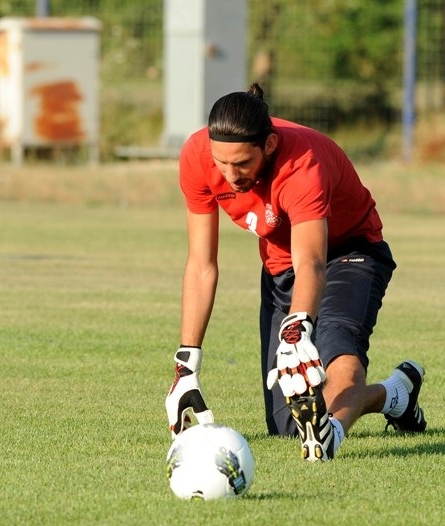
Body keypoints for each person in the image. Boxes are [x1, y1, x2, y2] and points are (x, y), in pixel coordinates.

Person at [165, 83, 427, 461]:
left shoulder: (302, 164)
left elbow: (312, 262)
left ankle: (333, 434)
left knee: (338, 350)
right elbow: (202, 265)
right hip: (281, 266)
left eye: (242, 164)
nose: (229, 175)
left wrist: (298, 327)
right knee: (290, 425)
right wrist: (185, 366)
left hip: (350, 252)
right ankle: (396, 394)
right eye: (221, 163)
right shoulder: (196, 155)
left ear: (269, 145)